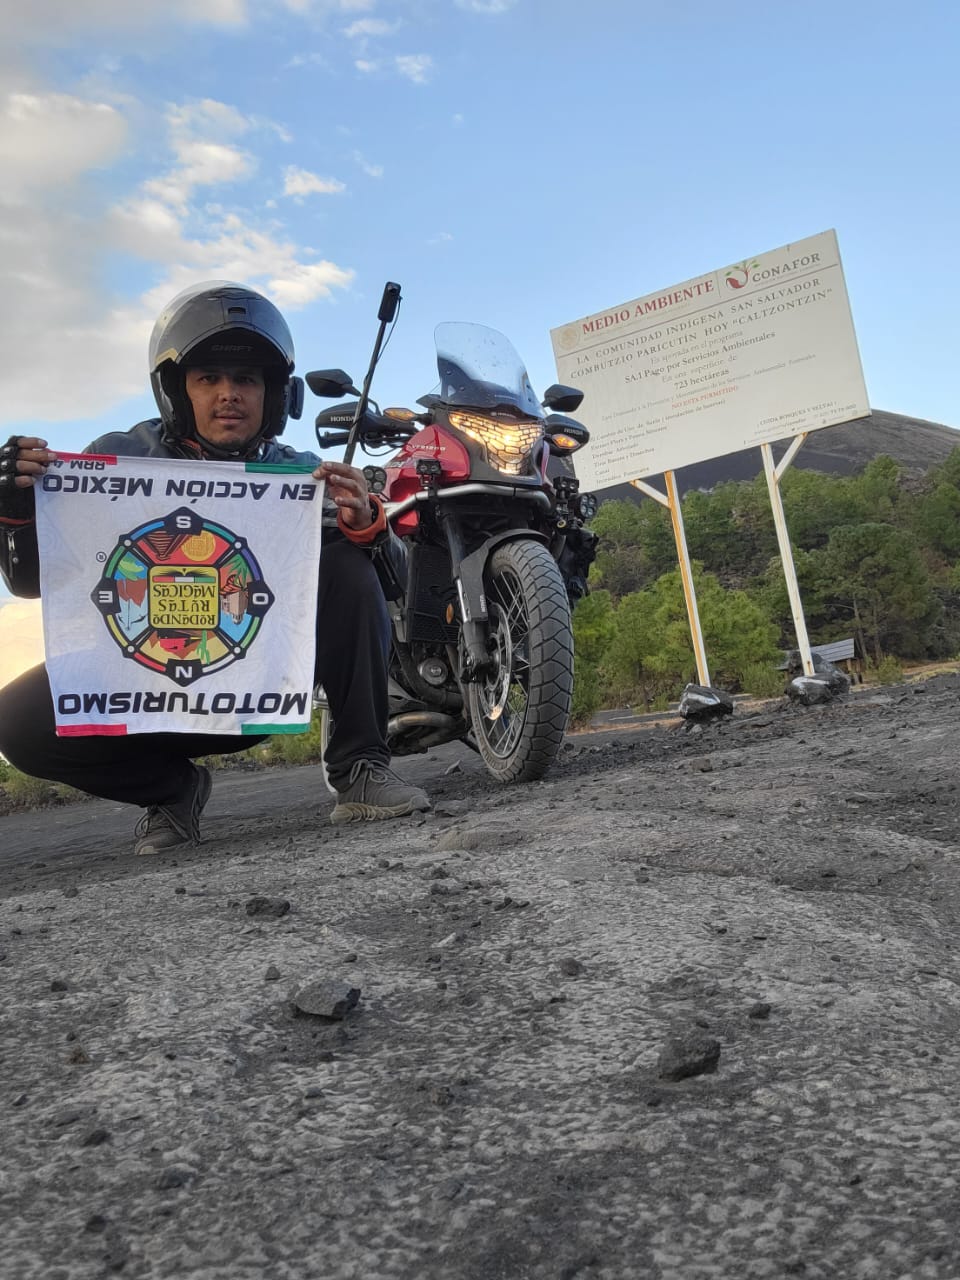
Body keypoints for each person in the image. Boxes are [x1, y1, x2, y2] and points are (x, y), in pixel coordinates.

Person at [0, 280, 430, 853]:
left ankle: (361, 769)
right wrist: (15, 512)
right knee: (16, 721)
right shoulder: (114, 460)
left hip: (251, 691)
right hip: (145, 686)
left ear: (275, 395)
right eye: (209, 379)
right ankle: (171, 788)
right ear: (177, 391)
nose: (229, 394)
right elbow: (29, 583)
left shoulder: (303, 478)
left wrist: (368, 527)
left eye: (246, 379)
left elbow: (395, 590)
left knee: (347, 562)